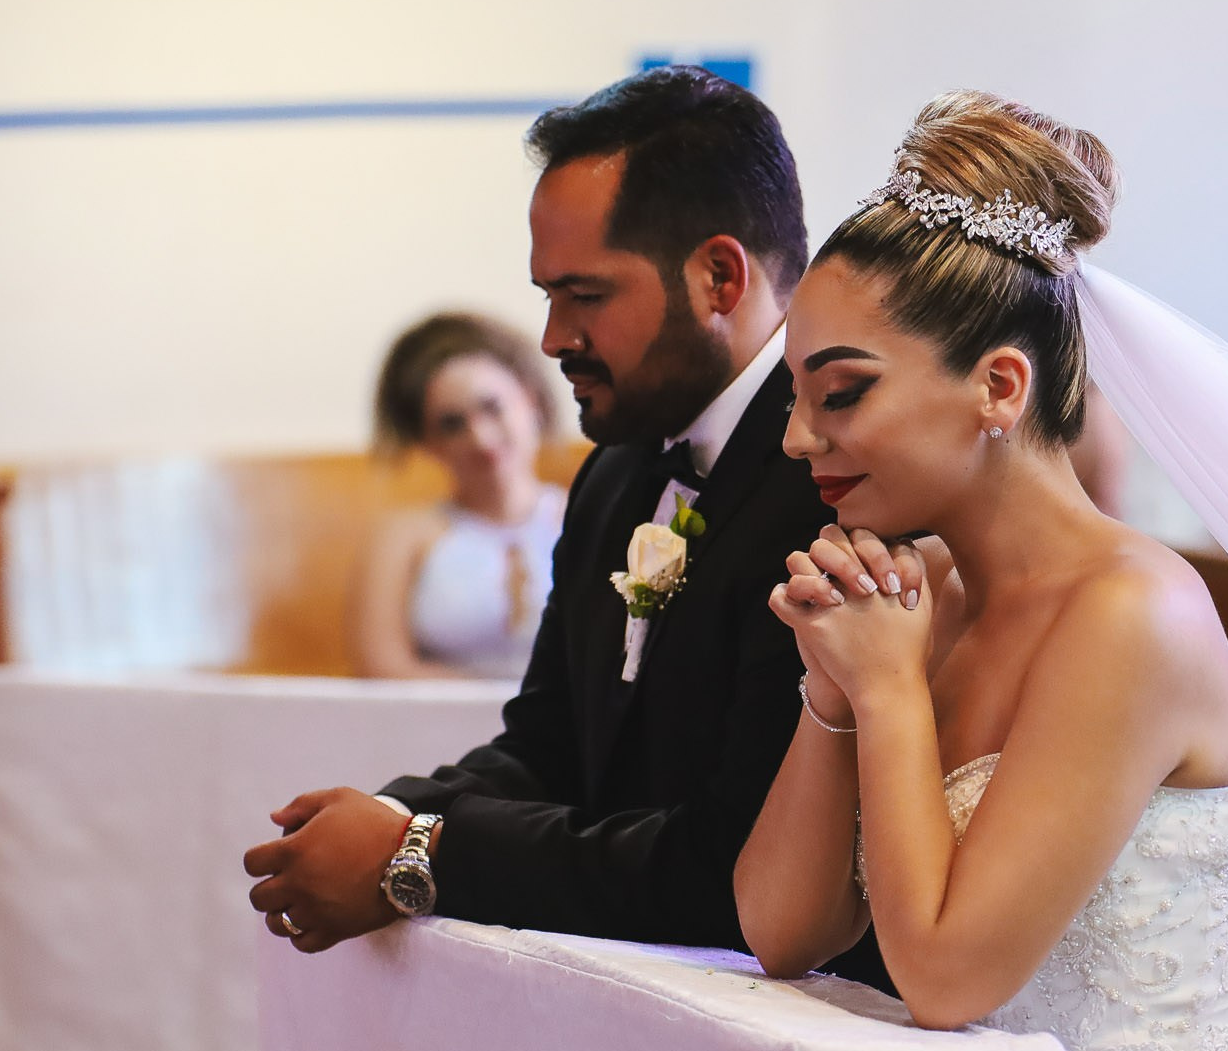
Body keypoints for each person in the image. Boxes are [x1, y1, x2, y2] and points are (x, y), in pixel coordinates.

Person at [733, 92, 1228, 1051]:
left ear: (998, 383)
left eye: (838, 393)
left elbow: (947, 972)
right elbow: (784, 929)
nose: (798, 438)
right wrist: (834, 690)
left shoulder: (1133, 614)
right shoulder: (931, 596)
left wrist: (893, 690)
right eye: (793, 393)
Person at [243, 66, 883, 985]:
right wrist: (385, 813)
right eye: (547, 295)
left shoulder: (833, 485)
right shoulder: (615, 474)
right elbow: (550, 747)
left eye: (584, 296)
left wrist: (419, 849)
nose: (550, 339)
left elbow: (726, 860)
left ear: (718, 276)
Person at [352, 312, 565, 679]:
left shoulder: (591, 517)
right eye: (451, 424)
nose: (480, 438)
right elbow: (382, 666)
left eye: (492, 407)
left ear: (530, 399)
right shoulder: (403, 539)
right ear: (426, 442)